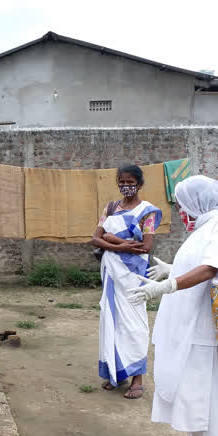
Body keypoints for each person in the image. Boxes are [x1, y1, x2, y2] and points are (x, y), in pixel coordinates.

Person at [128, 175, 218, 436]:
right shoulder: (206, 228)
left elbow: (212, 268)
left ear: (199, 203)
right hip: (190, 329)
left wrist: (170, 284)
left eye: (183, 206)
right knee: (199, 401)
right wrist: (174, 269)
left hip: (204, 333)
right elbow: (201, 264)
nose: (181, 212)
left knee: (205, 402)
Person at [89, 164, 162, 399]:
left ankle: (137, 378)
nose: (126, 186)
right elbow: (95, 238)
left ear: (139, 184)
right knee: (111, 320)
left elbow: (146, 246)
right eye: (122, 181)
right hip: (111, 273)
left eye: (131, 182)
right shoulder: (111, 207)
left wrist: (110, 239)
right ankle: (115, 373)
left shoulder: (147, 211)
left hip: (132, 275)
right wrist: (119, 243)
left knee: (133, 323)